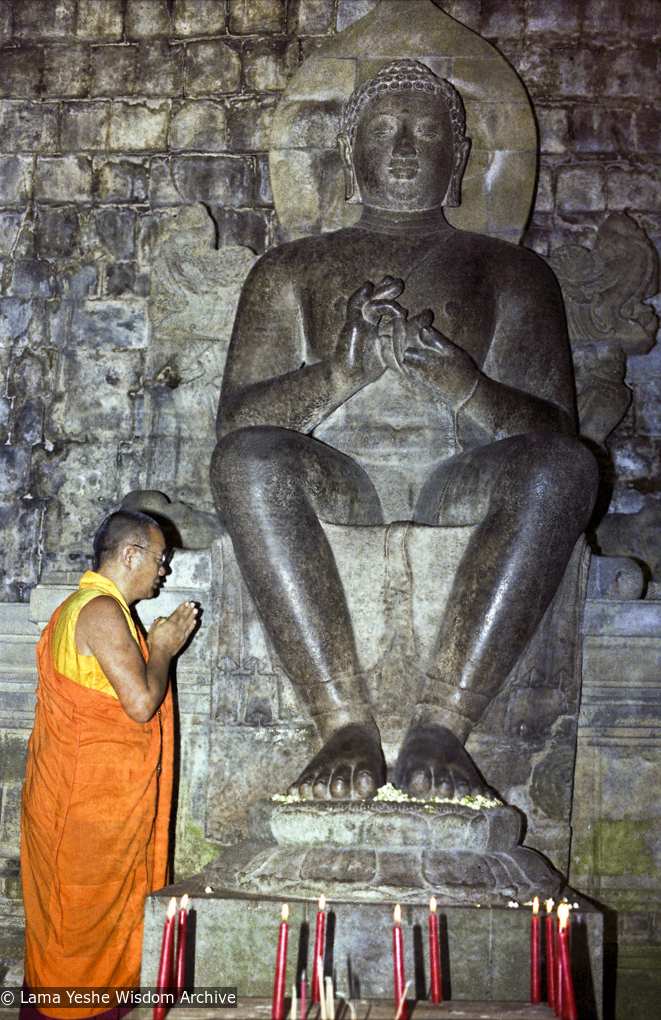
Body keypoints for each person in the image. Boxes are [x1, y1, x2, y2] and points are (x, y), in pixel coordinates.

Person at [210, 60, 598, 803]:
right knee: (246, 461)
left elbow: (555, 430)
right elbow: (235, 422)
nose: (403, 148)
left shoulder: (511, 272)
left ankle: (443, 723)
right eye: (383, 130)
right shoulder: (288, 269)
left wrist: (467, 387)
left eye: (425, 132)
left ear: (459, 158)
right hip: (337, 476)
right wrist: (336, 377)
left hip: (458, 478)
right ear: (347, 152)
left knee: (561, 469)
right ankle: (341, 721)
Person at [20, 511, 198, 1019]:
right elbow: (140, 703)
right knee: (77, 932)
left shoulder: (92, 608)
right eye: (160, 558)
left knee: (76, 929)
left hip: (86, 807)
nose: (163, 570)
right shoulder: (99, 610)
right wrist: (162, 649)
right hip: (83, 814)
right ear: (129, 555)